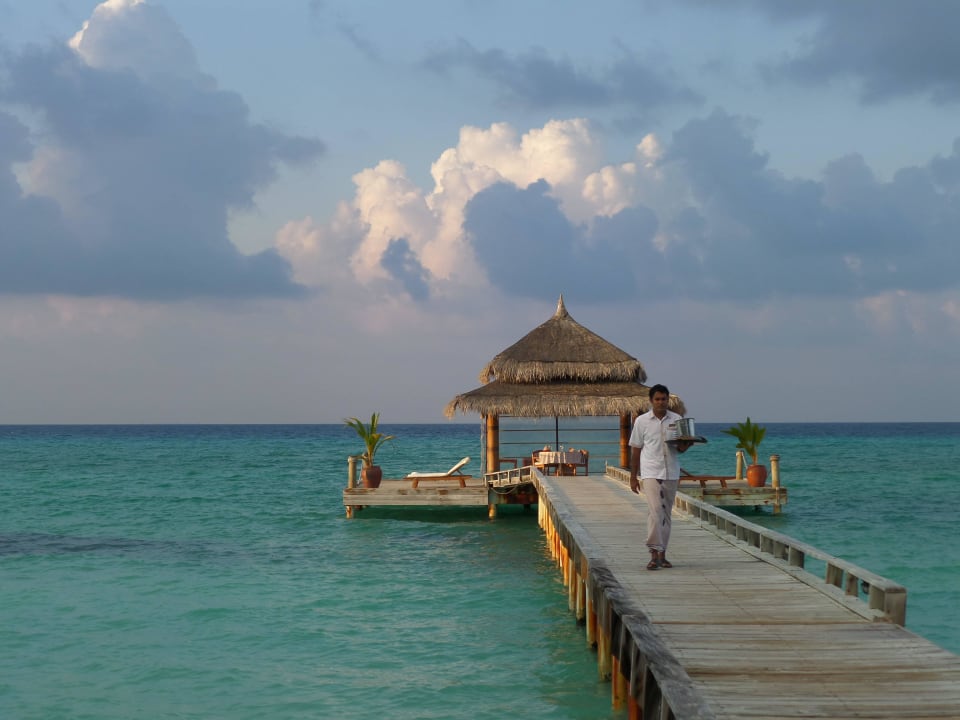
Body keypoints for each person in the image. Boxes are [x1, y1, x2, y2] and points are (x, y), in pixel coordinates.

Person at [629, 384, 693, 570]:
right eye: (657, 399)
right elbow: (635, 449)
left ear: (667, 400)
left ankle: (662, 555)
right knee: (656, 511)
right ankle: (653, 553)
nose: (660, 402)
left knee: (666, 514)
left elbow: (680, 448)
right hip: (650, 471)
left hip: (671, 471)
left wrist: (688, 444)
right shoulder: (641, 421)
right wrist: (633, 477)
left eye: (663, 399)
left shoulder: (677, 419)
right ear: (651, 401)